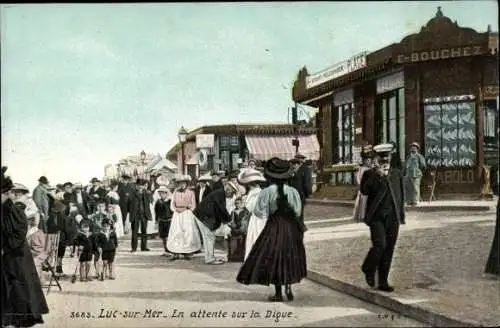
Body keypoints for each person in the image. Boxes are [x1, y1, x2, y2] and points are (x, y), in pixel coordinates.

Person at [236, 157, 307, 302]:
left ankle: (278, 293)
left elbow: (259, 212)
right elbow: (298, 211)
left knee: (274, 258)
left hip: (274, 226)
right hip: (291, 227)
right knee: (289, 255)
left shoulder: (266, 192)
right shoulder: (293, 191)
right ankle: (289, 286)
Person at [2, 167, 49, 327]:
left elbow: (19, 233)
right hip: (8, 254)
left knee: (19, 287)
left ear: (6, 194)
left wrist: (4, 248)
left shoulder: (14, 210)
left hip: (17, 255)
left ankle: (20, 318)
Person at [360, 143, 405, 292]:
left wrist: (401, 214)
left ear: (391, 157)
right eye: (382, 158)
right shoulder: (369, 174)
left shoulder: (396, 173)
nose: (385, 161)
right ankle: (368, 268)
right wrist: (376, 175)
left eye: (387, 157)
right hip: (376, 217)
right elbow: (364, 191)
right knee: (380, 245)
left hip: (393, 217)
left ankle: (383, 281)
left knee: (389, 249)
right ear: (377, 159)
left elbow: (401, 195)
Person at [193, 182, 238, 265]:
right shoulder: (220, 194)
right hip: (203, 217)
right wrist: (229, 221)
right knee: (209, 237)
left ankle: (209, 257)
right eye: (232, 192)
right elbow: (221, 209)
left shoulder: (219, 193)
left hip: (202, 216)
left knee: (209, 237)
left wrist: (226, 221)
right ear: (228, 190)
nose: (232, 195)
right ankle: (210, 259)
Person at [167, 175, 201, 261]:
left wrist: (188, 209)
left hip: (187, 214)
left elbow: (193, 205)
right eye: (180, 183)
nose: (182, 185)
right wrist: (175, 210)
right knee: (176, 231)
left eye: (184, 183)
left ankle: (187, 252)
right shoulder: (175, 192)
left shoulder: (191, 193)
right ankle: (176, 252)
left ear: (186, 184)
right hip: (177, 214)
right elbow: (172, 203)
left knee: (187, 232)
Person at [237, 168, 267, 260]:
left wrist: (244, 203)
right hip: (260, 218)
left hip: (257, 218)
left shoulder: (255, 193)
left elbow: (250, 207)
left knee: (254, 237)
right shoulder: (260, 192)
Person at [129, 178, 153, 253]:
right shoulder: (132, 193)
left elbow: (151, 200)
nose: (140, 187)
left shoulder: (147, 193)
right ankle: (134, 248)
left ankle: (144, 247)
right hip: (135, 215)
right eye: (139, 185)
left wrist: (148, 193)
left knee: (144, 231)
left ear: (144, 186)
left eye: (142, 185)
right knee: (135, 232)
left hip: (144, 214)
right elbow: (129, 203)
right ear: (136, 185)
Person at [288, 153, 312, 224]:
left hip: (299, 194)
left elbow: (307, 182)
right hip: (294, 194)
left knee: (298, 211)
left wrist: (307, 193)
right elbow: (307, 182)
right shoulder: (291, 170)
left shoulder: (305, 169)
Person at [353, 145, 373, 222]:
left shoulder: (371, 169)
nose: (369, 162)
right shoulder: (362, 169)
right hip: (364, 187)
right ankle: (362, 216)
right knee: (362, 201)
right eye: (367, 160)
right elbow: (358, 178)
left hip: (369, 188)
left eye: (370, 160)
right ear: (364, 161)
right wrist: (361, 185)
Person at [227, 197, 250, 262]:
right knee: (232, 239)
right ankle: (233, 256)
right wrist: (230, 225)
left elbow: (245, 222)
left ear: (242, 203)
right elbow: (230, 221)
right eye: (235, 203)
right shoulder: (233, 211)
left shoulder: (246, 212)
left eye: (238, 203)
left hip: (242, 230)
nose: (236, 205)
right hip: (234, 230)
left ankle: (240, 257)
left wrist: (237, 226)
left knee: (241, 240)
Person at [155, 185, 174, 256]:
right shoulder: (158, 202)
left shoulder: (170, 201)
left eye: (162, 193)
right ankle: (165, 249)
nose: (161, 194)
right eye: (160, 193)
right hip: (161, 220)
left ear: (166, 193)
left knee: (169, 235)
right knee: (163, 236)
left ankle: (170, 250)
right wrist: (156, 221)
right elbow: (156, 211)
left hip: (169, 220)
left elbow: (172, 211)